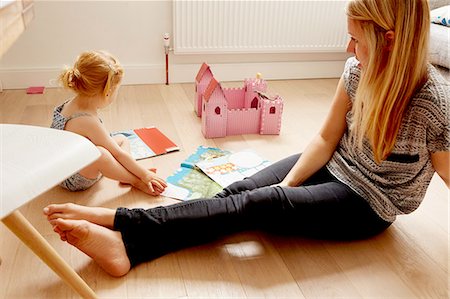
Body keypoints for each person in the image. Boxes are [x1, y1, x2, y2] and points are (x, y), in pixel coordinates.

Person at [44, 0, 449, 277]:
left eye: (356, 39)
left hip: (368, 203)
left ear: (389, 39)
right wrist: (289, 189)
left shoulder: (433, 102)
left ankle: (122, 229)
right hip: (333, 165)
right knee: (241, 190)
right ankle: (127, 242)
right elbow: (326, 140)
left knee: (259, 203)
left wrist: (281, 199)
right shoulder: (355, 72)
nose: (347, 47)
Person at [50, 50, 167, 196]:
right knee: (102, 154)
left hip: (61, 166)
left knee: (122, 139)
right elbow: (117, 154)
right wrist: (144, 175)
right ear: (108, 92)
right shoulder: (86, 120)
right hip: (70, 177)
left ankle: (123, 172)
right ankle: (133, 180)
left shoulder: (73, 104)